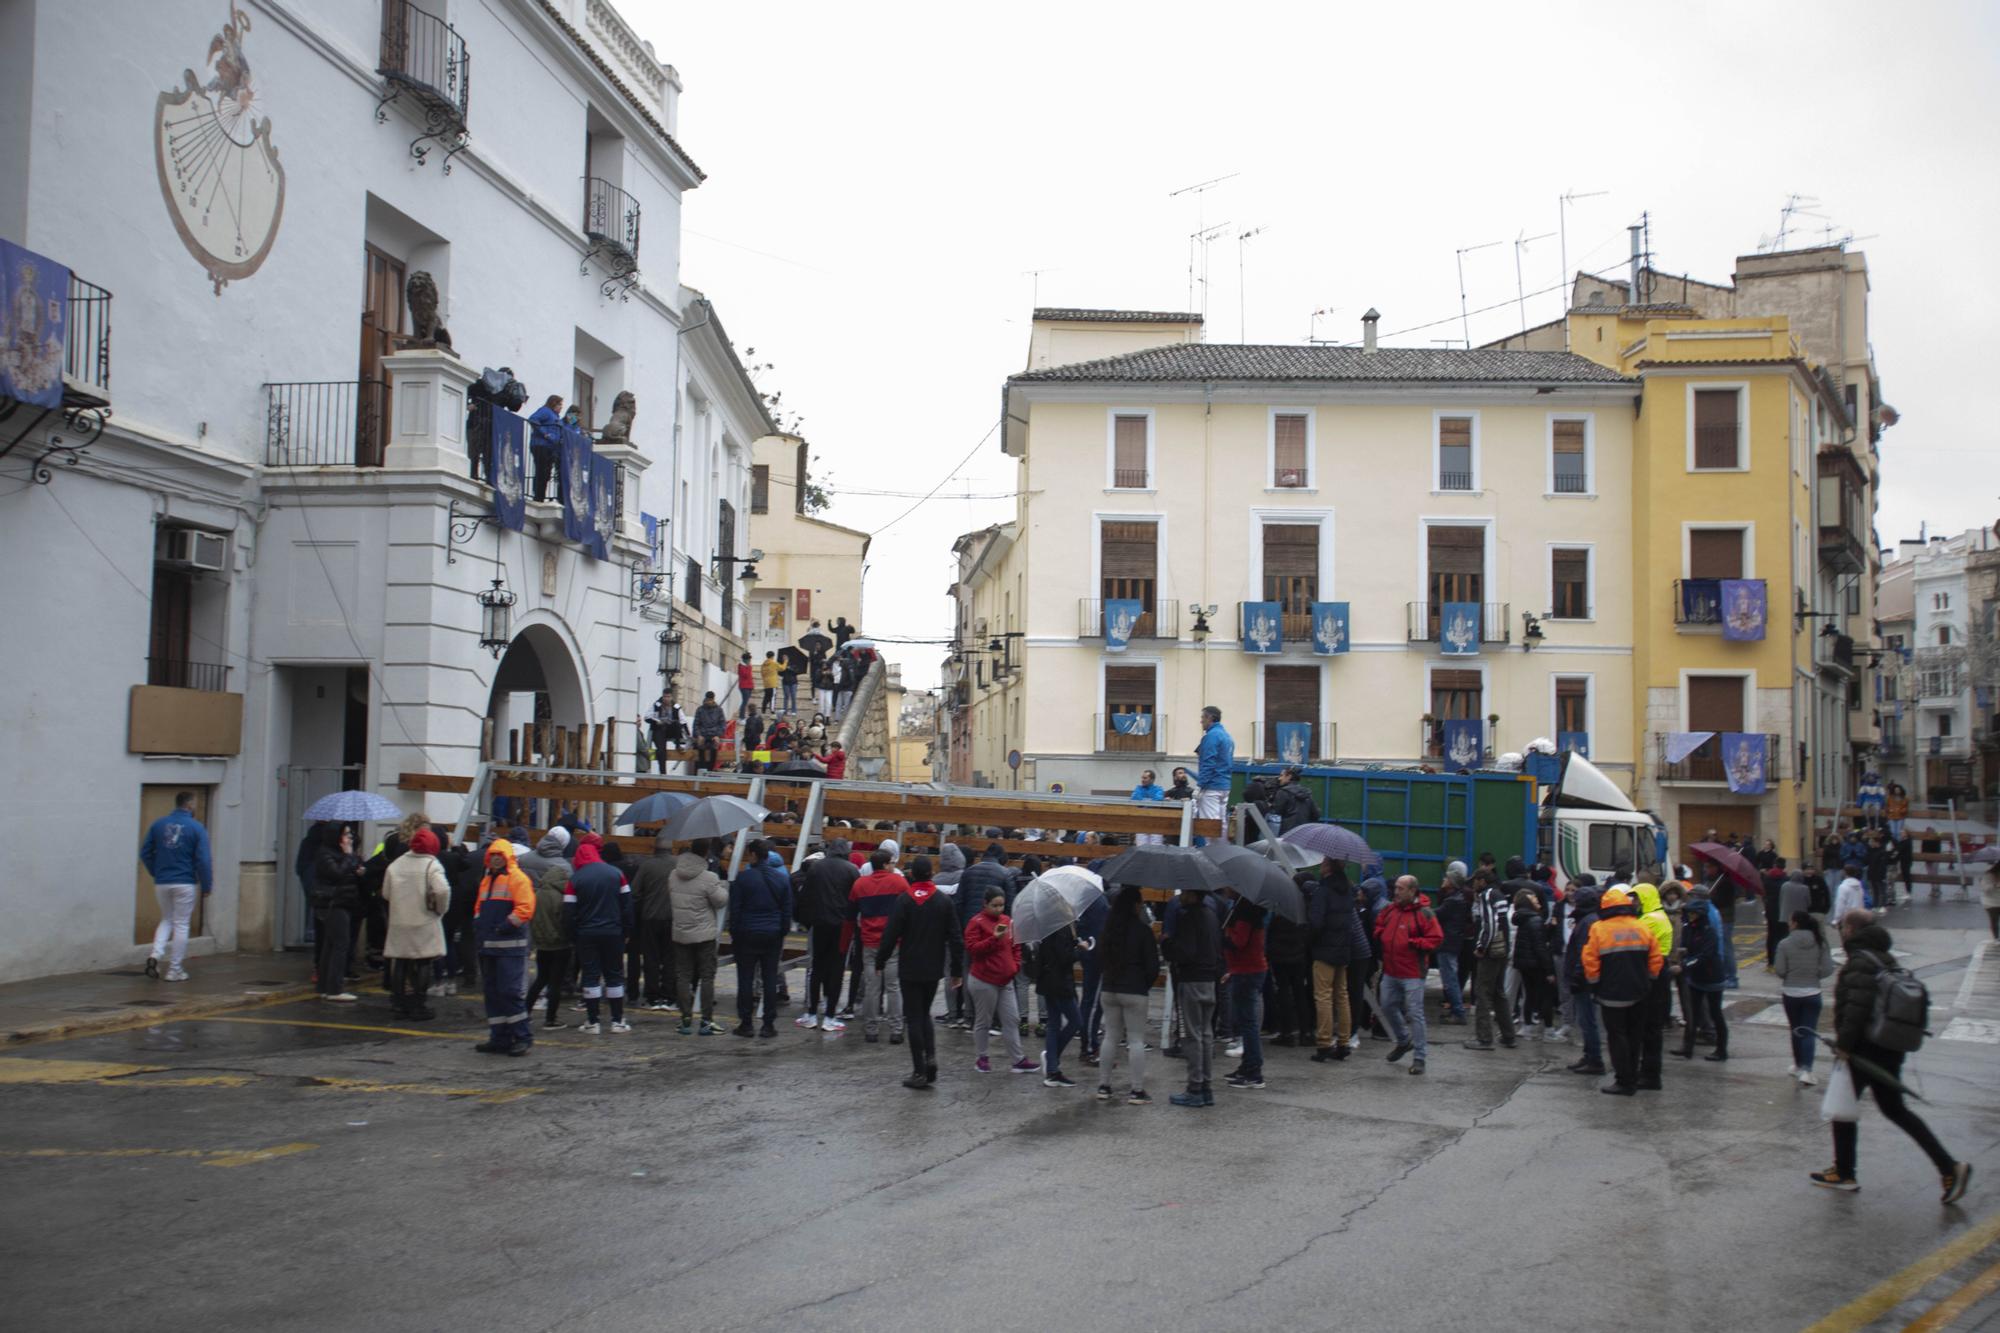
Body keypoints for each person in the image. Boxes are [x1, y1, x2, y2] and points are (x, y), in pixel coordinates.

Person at [1812, 910, 1972, 1203]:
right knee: (1895, 1110)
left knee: (1842, 1106)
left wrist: (1844, 1046)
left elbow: (1856, 1008)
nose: (1840, 931)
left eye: (1842, 926)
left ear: (1851, 929)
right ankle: (1948, 1167)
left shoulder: (1860, 961)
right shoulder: (1884, 958)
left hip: (1864, 1047)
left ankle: (1845, 1172)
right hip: (1889, 1045)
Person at [876, 855, 959, 1089]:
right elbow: (955, 937)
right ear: (931, 874)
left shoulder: (904, 901)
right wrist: (955, 969)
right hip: (933, 967)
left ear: (912, 875)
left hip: (910, 966)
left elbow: (890, 934)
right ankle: (930, 1056)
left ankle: (918, 1070)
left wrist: (881, 960)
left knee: (913, 1017)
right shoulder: (943, 901)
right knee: (925, 1013)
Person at [1582, 886, 1663, 1095]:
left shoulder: (1599, 929)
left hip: (1611, 993)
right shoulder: (1642, 927)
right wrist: (1650, 980)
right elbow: (1656, 957)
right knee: (1635, 1035)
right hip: (1640, 991)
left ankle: (1623, 1080)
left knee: (1616, 1036)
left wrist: (1594, 985)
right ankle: (1633, 1077)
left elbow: (1590, 960)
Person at [139, 791, 213, 983]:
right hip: (185, 882)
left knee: (167, 919)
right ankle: (174, 969)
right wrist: (206, 884)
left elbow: (145, 852)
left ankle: (155, 955)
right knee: (181, 924)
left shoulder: (158, 825)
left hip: (163, 882)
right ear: (189, 805)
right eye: (194, 804)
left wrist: (157, 871)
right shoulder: (197, 828)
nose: (195, 807)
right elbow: (203, 860)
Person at [1095, 886, 1160, 1105]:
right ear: (1135, 905)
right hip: (1135, 989)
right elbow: (1152, 966)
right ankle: (1137, 1090)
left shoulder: (1109, 929)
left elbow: (1101, 958)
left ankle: (1103, 1086)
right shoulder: (1143, 931)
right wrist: (1144, 984)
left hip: (1110, 987)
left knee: (1110, 1037)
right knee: (1136, 1039)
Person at [965, 887, 1039, 1074]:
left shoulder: (1008, 921)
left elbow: (1016, 946)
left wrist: (1014, 966)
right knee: (984, 1020)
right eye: (994, 905)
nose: (998, 909)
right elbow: (973, 949)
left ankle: (1018, 1059)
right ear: (985, 904)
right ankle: (981, 1057)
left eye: (1001, 905)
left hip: (1005, 980)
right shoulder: (976, 922)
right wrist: (993, 938)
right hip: (983, 980)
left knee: (1012, 1019)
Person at [473, 839, 537, 1055]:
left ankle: (522, 1036)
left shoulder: (517, 879)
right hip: (490, 946)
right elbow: (479, 908)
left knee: (509, 993)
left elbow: (525, 909)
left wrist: (504, 926)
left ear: (508, 857)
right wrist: (479, 926)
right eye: (493, 855)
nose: (496, 858)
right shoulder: (486, 880)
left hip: (509, 947)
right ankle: (499, 1037)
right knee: (493, 993)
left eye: (500, 854)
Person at [564, 835, 633, 1034]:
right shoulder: (616, 874)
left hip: (586, 933)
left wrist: (573, 935)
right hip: (613, 932)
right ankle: (617, 1020)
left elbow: (568, 912)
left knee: (591, 976)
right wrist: (626, 931)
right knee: (614, 975)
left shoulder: (576, 878)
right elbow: (627, 906)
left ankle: (592, 1021)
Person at [1374, 876, 1442, 1075]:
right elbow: (1379, 925)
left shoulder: (1424, 913)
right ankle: (1404, 1040)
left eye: (1400, 889)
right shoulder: (1390, 910)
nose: (1396, 892)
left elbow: (1436, 938)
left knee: (1415, 1013)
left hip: (1412, 972)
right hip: (1391, 970)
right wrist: (1381, 934)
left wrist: (1416, 943)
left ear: (1412, 891)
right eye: (1396, 888)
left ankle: (1419, 1057)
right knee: (1386, 1006)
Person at [382, 828, 449, 1020]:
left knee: (400, 962)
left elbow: (386, 893)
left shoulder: (396, 864)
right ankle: (419, 1005)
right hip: (423, 920)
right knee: (423, 961)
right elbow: (442, 890)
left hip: (400, 921)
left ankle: (398, 1004)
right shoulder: (431, 865)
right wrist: (440, 909)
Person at [728, 840, 792, 1039]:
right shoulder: (781, 878)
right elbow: (787, 910)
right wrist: (782, 931)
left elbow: (735, 910)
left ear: (754, 855)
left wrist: (735, 933)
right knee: (770, 978)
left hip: (747, 933)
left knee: (746, 979)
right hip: (772, 933)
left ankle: (746, 1023)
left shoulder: (743, 878)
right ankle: (768, 1024)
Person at [1165, 886, 1223, 1107]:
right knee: (1206, 1035)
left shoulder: (1189, 917)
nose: (1181, 896)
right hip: (1209, 979)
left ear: (1193, 894)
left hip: (1192, 979)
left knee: (1192, 1035)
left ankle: (1195, 1087)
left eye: (1185, 893)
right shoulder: (1211, 914)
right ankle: (1206, 1086)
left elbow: (1185, 952)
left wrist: (1168, 943)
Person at [1307, 862, 1369, 1062]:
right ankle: (1344, 1041)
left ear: (1329, 868)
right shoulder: (1348, 891)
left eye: (1323, 864)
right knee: (1342, 996)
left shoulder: (1323, 891)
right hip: (1344, 950)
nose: (1320, 868)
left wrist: (1310, 941)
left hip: (1325, 949)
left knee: (1323, 996)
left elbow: (1316, 923)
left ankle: (1324, 1043)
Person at [795, 837, 858, 1032]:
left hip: (820, 923)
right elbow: (855, 899)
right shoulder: (851, 870)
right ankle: (830, 1015)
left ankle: (812, 1013)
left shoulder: (816, 868)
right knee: (837, 969)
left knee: (817, 967)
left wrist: (806, 921)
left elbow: (806, 897)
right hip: (842, 927)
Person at [849, 848, 911, 1044]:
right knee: (893, 986)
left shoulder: (860, 884)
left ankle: (871, 1030)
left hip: (869, 942)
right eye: (891, 863)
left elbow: (851, 911)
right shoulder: (899, 882)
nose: (894, 866)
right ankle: (896, 1029)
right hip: (892, 942)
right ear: (885, 864)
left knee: (872, 988)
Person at [667, 838, 728, 1035]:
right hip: (704, 934)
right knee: (707, 976)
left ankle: (685, 1020)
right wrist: (723, 887)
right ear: (705, 854)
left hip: (680, 932)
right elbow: (720, 901)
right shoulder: (709, 877)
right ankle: (706, 1020)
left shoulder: (673, 875)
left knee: (683, 976)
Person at [1773, 908, 1836, 1085]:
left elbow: (1780, 970)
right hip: (1813, 992)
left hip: (1791, 992)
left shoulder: (1784, 944)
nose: (1788, 923)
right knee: (1809, 1031)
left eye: (1790, 920)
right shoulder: (1820, 942)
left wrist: (1790, 976)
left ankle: (1798, 1065)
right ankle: (1807, 1070)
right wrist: (1814, 975)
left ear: (1795, 923)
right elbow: (1827, 969)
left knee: (1795, 1029)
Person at [1220, 894, 1272, 1089]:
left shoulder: (1245, 911)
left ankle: (1253, 1071)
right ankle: (1248, 1067)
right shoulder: (1247, 908)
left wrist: (1225, 936)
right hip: (1247, 969)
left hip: (1247, 971)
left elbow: (1238, 942)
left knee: (1248, 1023)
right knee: (1246, 1022)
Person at [1672, 885, 1729, 1062]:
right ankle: (1687, 1048)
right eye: (1689, 913)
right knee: (1692, 1014)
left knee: (1715, 1013)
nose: (1690, 917)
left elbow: (1706, 955)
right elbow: (1689, 947)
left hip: (1712, 977)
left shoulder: (1708, 930)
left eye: (1693, 914)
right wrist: (1683, 952)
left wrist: (1685, 966)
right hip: (1696, 978)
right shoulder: (1689, 927)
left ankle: (1721, 1050)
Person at [1463, 872, 1516, 1051]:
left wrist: (1481, 946)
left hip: (1491, 951)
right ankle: (1508, 1035)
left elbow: (1490, 924)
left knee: (1482, 992)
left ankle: (1484, 1038)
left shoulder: (1487, 895)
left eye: (1475, 881)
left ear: (1482, 881)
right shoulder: (1500, 894)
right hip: (1502, 949)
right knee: (1498, 992)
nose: (1473, 885)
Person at [313, 825, 364, 1002]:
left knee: (330, 945)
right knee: (341, 944)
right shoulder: (325, 854)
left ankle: (324, 987)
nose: (348, 837)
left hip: (343, 901)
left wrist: (356, 865)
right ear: (335, 836)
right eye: (345, 834)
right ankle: (335, 988)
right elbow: (337, 873)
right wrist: (349, 856)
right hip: (333, 903)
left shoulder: (338, 852)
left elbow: (349, 870)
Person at [629, 834, 678, 1010]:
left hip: (650, 917)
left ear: (654, 849)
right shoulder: (677, 864)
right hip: (672, 916)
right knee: (670, 958)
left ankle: (652, 996)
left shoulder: (646, 865)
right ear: (671, 849)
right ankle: (669, 996)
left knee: (651, 958)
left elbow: (634, 892)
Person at [1035, 916, 1086, 1088]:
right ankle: (1052, 1060)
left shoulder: (1049, 924)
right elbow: (1064, 957)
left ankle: (1052, 1069)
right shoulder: (1062, 927)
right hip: (1059, 982)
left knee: (1053, 1023)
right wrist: (1081, 949)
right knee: (1076, 1021)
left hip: (1048, 979)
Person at [1561, 885, 1606, 1076]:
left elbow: (1583, 954)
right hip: (1585, 977)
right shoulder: (1590, 920)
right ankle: (1589, 1056)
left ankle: (1594, 1059)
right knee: (1585, 1020)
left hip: (1584, 980)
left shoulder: (1588, 922)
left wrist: (1577, 978)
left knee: (1587, 1021)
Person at [524, 856, 573, 1030]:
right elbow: (565, 921)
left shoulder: (537, 895)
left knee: (541, 979)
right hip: (559, 944)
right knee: (555, 983)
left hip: (542, 944)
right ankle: (551, 1018)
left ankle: (525, 1012)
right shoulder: (561, 898)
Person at [1510, 888, 1557, 1039]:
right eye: (1535, 900)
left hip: (1524, 963)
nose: (1539, 902)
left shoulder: (1522, 918)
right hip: (1536, 964)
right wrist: (1549, 970)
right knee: (1545, 996)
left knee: (1529, 995)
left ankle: (1527, 1028)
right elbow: (1540, 946)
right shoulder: (1535, 919)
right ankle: (1549, 1030)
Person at [1194, 707, 1235, 838]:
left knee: (1210, 826)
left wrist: (1200, 786)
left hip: (1211, 787)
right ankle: (1221, 854)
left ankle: (1212, 855)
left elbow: (1208, 763)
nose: (1201, 722)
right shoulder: (1227, 737)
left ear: (1210, 718)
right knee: (1221, 824)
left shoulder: (1211, 736)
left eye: (1202, 718)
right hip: (1224, 785)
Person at [527, 394, 563, 501]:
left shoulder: (556, 417)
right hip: (541, 445)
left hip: (550, 448)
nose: (561, 407)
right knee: (541, 471)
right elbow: (533, 419)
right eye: (559, 404)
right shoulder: (545, 411)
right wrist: (545, 434)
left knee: (546, 473)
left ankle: (540, 495)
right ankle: (538, 495)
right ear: (554, 403)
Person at [1267, 765, 1321, 835]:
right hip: (1303, 833)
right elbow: (1316, 815)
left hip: (1287, 833)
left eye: (1281, 775)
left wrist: (1270, 804)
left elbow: (1275, 812)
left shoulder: (1283, 792)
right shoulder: (1307, 794)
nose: (1279, 778)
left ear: (1289, 776)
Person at [692, 692, 726, 773]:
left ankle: (710, 771)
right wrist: (698, 735)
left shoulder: (719, 710)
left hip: (713, 736)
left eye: (710, 700)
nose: (709, 702)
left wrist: (718, 735)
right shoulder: (700, 710)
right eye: (708, 700)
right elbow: (696, 724)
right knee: (699, 752)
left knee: (713, 752)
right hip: (702, 735)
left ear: (713, 699)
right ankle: (700, 772)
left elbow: (722, 724)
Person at [1131, 769, 1167, 845]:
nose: (1142, 780)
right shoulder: (1138, 788)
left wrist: (1144, 801)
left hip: (1156, 822)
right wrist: (1150, 800)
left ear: (1152, 780)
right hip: (1142, 822)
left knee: (1156, 848)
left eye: (1145, 778)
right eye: (1142, 778)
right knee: (1141, 847)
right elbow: (1135, 797)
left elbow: (1158, 799)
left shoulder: (1158, 789)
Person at [734, 654, 756, 719]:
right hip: (744, 686)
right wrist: (748, 667)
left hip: (749, 686)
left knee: (746, 701)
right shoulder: (741, 666)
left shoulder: (748, 666)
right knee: (744, 702)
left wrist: (752, 685)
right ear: (745, 660)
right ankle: (741, 717)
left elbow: (750, 676)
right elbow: (745, 675)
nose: (750, 661)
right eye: (749, 659)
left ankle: (743, 716)